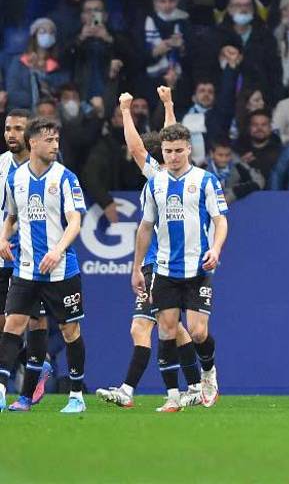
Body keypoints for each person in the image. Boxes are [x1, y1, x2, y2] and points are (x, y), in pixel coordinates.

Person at [95, 89, 202, 409]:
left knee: (146, 326)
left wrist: (125, 110)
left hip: (160, 262)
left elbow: (137, 145)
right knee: (169, 327)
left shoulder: (159, 174)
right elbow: (167, 134)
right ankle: (194, 386)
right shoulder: (162, 173)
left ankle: (131, 390)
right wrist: (168, 103)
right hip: (156, 262)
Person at [132, 123, 229, 412]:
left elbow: (221, 219)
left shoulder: (206, 180)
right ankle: (173, 396)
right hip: (164, 270)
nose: (173, 156)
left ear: (188, 149)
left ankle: (208, 373)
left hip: (197, 267)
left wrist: (216, 248)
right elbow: (145, 227)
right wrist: (137, 267)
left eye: (178, 150)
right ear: (162, 152)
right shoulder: (155, 184)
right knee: (167, 330)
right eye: (168, 151)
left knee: (198, 332)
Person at [0, 117, 88, 413]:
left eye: (56, 140)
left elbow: (75, 220)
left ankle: (76, 394)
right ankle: (7, 392)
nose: (55, 145)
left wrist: (58, 250)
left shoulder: (65, 178)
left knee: (69, 330)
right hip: (26, 269)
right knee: (13, 324)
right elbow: (11, 217)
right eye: (49, 140)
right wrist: (2, 239)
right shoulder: (16, 179)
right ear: (33, 142)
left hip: (61, 268)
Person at [0, 110, 52, 410]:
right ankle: (33, 362)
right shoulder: (2, 166)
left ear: (30, 135)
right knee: (5, 324)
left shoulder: (47, 168)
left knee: (35, 319)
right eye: (7, 128)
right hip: (5, 254)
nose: (11, 134)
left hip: (33, 257)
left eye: (18, 129)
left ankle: (30, 381)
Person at [206, 138, 265, 204]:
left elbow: (260, 182)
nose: (224, 159)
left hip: (237, 210)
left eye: (227, 155)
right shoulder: (201, 169)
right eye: (220, 155)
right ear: (211, 154)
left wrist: (234, 192)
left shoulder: (238, 166)